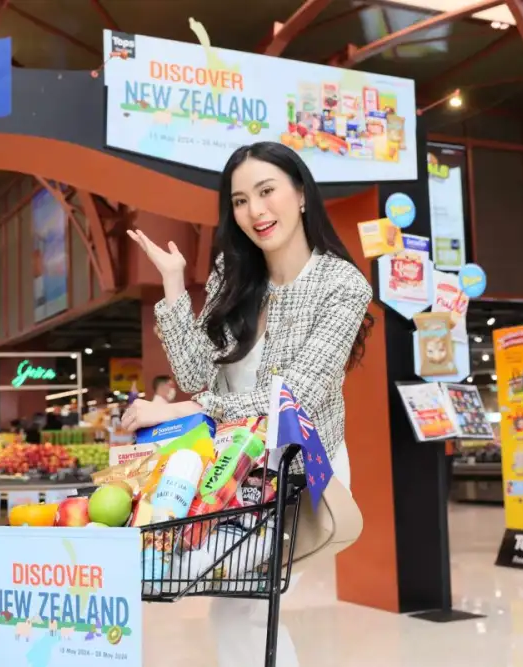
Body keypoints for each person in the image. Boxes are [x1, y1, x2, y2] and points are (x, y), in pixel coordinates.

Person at [123, 141, 373, 667]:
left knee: (238, 607)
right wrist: (173, 285)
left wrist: (187, 412)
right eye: (240, 201)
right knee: (238, 606)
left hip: (301, 470)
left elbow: (297, 396)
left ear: (300, 194)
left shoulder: (341, 284)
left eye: (266, 191)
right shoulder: (232, 273)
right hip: (233, 469)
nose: (255, 210)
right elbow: (194, 373)